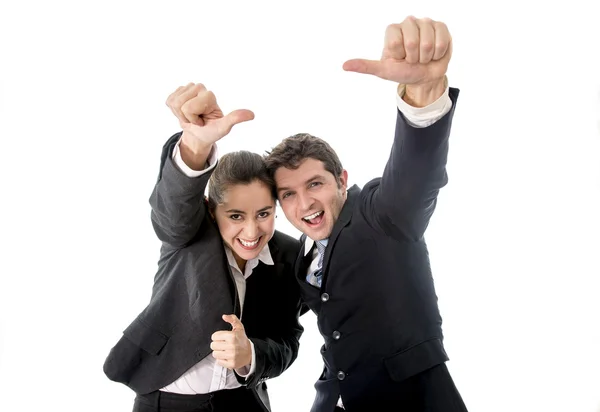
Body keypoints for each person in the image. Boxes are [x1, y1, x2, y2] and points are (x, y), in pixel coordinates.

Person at [263, 16, 467, 411]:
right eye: (288, 194)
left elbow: (414, 179)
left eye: (315, 184)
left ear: (341, 180)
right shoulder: (300, 253)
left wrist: (423, 95)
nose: (303, 204)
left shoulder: (380, 215)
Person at [103, 83, 304, 412]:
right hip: (167, 400)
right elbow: (173, 210)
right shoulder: (190, 233)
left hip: (242, 401)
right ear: (212, 210)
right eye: (236, 216)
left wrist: (249, 355)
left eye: (264, 214)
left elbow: (286, 340)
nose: (252, 231)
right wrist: (195, 146)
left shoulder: (290, 255)